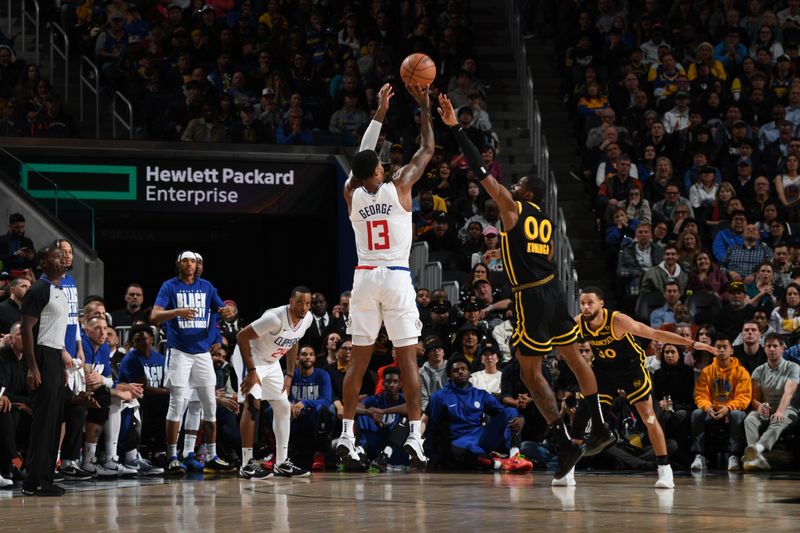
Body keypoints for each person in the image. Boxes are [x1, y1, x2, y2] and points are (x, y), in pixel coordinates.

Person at [436, 92, 614, 482]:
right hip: (553, 290)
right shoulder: (545, 220)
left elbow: (481, 171)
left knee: (531, 373)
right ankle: (598, 423)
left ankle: (563, 439)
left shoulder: (513, 210)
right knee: (575, 359)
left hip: (530, 296)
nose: (511, 186)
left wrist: (455, 129)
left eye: (517, 184)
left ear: (527, 193)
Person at [336, 82, 432, 470]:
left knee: (357, 363)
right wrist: (424, 107)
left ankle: (346, 435)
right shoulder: (400, 185)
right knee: (406, 360)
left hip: (362, 278)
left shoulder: (350, 192)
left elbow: (362, 154)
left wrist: (378, 112)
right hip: (394, 276)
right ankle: (414, 436)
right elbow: (427, 149)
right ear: (377, 169)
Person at [576, 287, 717, 489]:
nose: (585, 307)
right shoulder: (579, 322)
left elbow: (655, 333)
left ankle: (664, 468)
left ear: (601, 304)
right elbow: (558, 337)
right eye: (582, 303)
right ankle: (569, 468)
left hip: (631, 369)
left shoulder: (618, 321)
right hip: (603, 370)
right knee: (586, 411)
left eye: (590, 302)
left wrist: (692, 344)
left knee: (649, 417)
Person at [150, 251, 235, 475]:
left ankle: (211, 454)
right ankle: (172, 456)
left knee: (209, 405)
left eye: (194, 261)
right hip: (179, 352)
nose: (190, 264)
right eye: (186, 260)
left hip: (202, 354)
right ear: (178, 263)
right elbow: (154, 316)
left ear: (199, 265)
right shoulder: (169, 286)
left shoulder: (207, 286)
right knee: (177, 404)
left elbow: (225, 313)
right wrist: (177, 312)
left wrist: (229, 312)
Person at [235, 286, 313, 479]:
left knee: (283, 407)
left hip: (272, 361)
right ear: (291, 302)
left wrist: (289, 375)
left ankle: (281, 463)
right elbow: (241, 336)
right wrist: (252, 371)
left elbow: (294, 342)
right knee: (253, 405)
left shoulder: (307, 319)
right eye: (300, 303)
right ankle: (246, 464)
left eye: (308, 303)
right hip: (251, 357)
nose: (304, 307)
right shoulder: (274, 318)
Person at [21, 247, 70, 496]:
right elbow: (26, 329)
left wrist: (60, 364)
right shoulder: (39, 289)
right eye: (57, 257)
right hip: (40, 355)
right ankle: (33, 481)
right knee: (43, 423)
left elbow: (56, 332)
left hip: (54, 356)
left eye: (64, 257)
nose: (63, 260)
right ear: (43, 263)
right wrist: (32, 367)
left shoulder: (60, 290)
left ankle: (46, 477)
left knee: (54, 421)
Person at [426, 356, 532, 472]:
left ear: (470, 373)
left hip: (480, 435)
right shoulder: (439, 397)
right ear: (449, 375)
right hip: (459, 440)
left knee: (511, 411)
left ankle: (514, 455)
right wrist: (433, 457)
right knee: (468, 450)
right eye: (456, 370)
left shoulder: (480, 394)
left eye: (463, 369)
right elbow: (433, 428)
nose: (460, 372)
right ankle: (499, 464)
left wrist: (521, 418)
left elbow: (503, 413)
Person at [690, 336, 752, 472]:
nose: (722, 350)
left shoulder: (741, 372)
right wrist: (708, 407)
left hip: (731, 411)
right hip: (712, 411)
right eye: (718, 347)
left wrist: (728, 408)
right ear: (713, 350)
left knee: (737, 414)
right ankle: (699, 455)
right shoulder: (707, 371)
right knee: (697, 413)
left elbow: (744, 398)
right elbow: (701, 395)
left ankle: (734, 455)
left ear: (732, 351)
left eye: (725, 347)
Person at [741, 333, 799, 471]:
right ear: (764, 348)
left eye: (775, 346)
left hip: (788, 408)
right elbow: (754, 398)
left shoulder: (793, 367)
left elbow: (789, 392)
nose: (772, 349)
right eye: (769, 346)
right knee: (750, 419)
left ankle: (757, 450)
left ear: (782, 349)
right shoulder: (758, 371)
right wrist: (759, 406)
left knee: (778, 419)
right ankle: (756, 459)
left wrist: (779, 411)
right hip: (767, 408)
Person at [289, 345, 333, 472]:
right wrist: (289, 405)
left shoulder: (322, 374)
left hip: (314, 416)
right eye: (304, 354)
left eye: (311, 354)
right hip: (294, 415)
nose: (308, 356)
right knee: (271, 410)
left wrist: (304, 402)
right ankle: (276, 453)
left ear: (314, 358)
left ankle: (319, 455)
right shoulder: (290, 374)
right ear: (297, 358)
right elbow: (280, 395)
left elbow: (326, 400)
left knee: (324, 409)